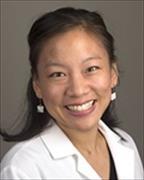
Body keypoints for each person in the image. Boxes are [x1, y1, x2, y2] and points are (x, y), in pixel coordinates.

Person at [0, 7, 143, 180]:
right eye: (58, 74)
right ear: (37, 85)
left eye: (91, 68)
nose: (78, 90)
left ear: (113, 74)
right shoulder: (21, 169)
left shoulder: (125, 145)